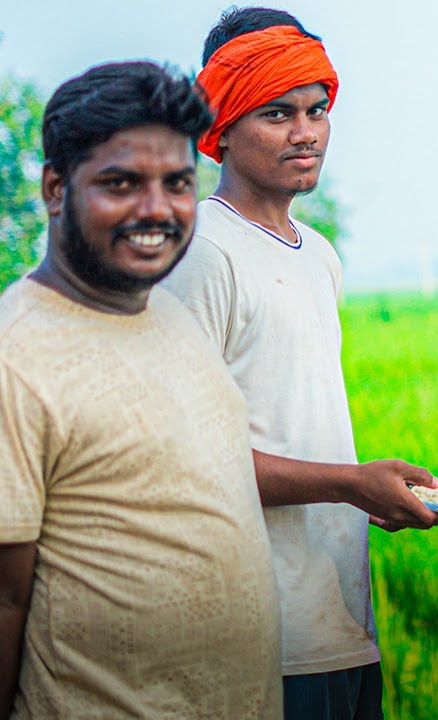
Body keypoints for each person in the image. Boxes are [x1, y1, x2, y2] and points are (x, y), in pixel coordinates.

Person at [161, 8, 438, 718]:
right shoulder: (200, 254)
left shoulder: (318, 255)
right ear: (220, 126)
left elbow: (294, 426)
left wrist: (368, 488)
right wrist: (351, 484)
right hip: (255, 637)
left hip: (341, 623)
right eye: (277, 112)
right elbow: (186, 462)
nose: (306, 131)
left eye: (317, 109)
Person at [0, 62, 281, 718]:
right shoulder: (16, 354)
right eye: (121, 184)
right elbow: (4, 598)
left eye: (177, 183)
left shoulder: (171, 315)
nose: (156, 210)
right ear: (53, 188)